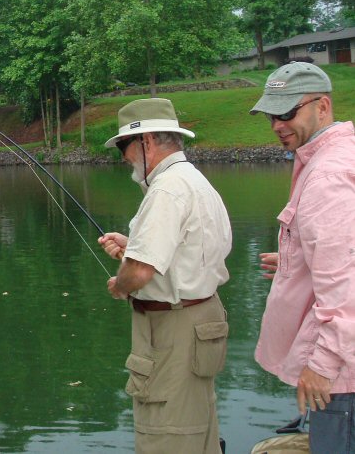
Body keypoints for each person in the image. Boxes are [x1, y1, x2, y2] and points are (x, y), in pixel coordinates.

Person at [98, 98, 232, 454]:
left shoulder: (166, 189)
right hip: (201, 322)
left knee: (167, 436)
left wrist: (120, 286)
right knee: (198, 433)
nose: (123, 157)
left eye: (123, 147)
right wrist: (133, 246)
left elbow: (140, 271)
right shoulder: (194, 180)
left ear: (146, 141)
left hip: (173, 334)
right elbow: (187, 254)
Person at [249, 61, 355, 454]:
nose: (278, 125)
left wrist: (321, 365)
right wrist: (298, 262)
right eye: (272, 115)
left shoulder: (327, 177)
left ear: (322, 106)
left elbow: (347, 288)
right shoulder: (339, 157)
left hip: (342, 377)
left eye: (288, 112)